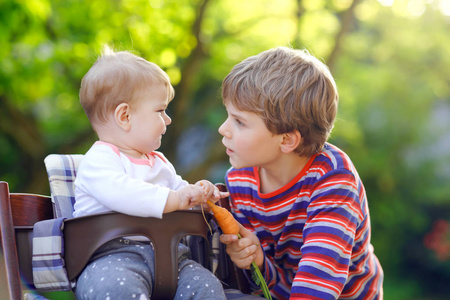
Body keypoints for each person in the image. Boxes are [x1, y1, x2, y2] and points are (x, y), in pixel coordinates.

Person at [218, 47, 384, 300]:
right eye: (228, 116)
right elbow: (270, 283)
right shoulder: (240, 180)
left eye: (239, 122)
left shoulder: (333, 180)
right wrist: (259, 261)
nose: (223, 129)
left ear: (287, 140)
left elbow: (317, 286)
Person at [73, 45, 228, 300]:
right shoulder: (99, 161)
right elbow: (123, 193)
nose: (168, 120)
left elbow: (180, 191)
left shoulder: (159, 162)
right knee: (115, 290)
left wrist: (199, 193)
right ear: (124, 116)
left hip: (171, 258)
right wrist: (176, 199)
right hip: (110, 258)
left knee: (207, 288)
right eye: (160, 111)